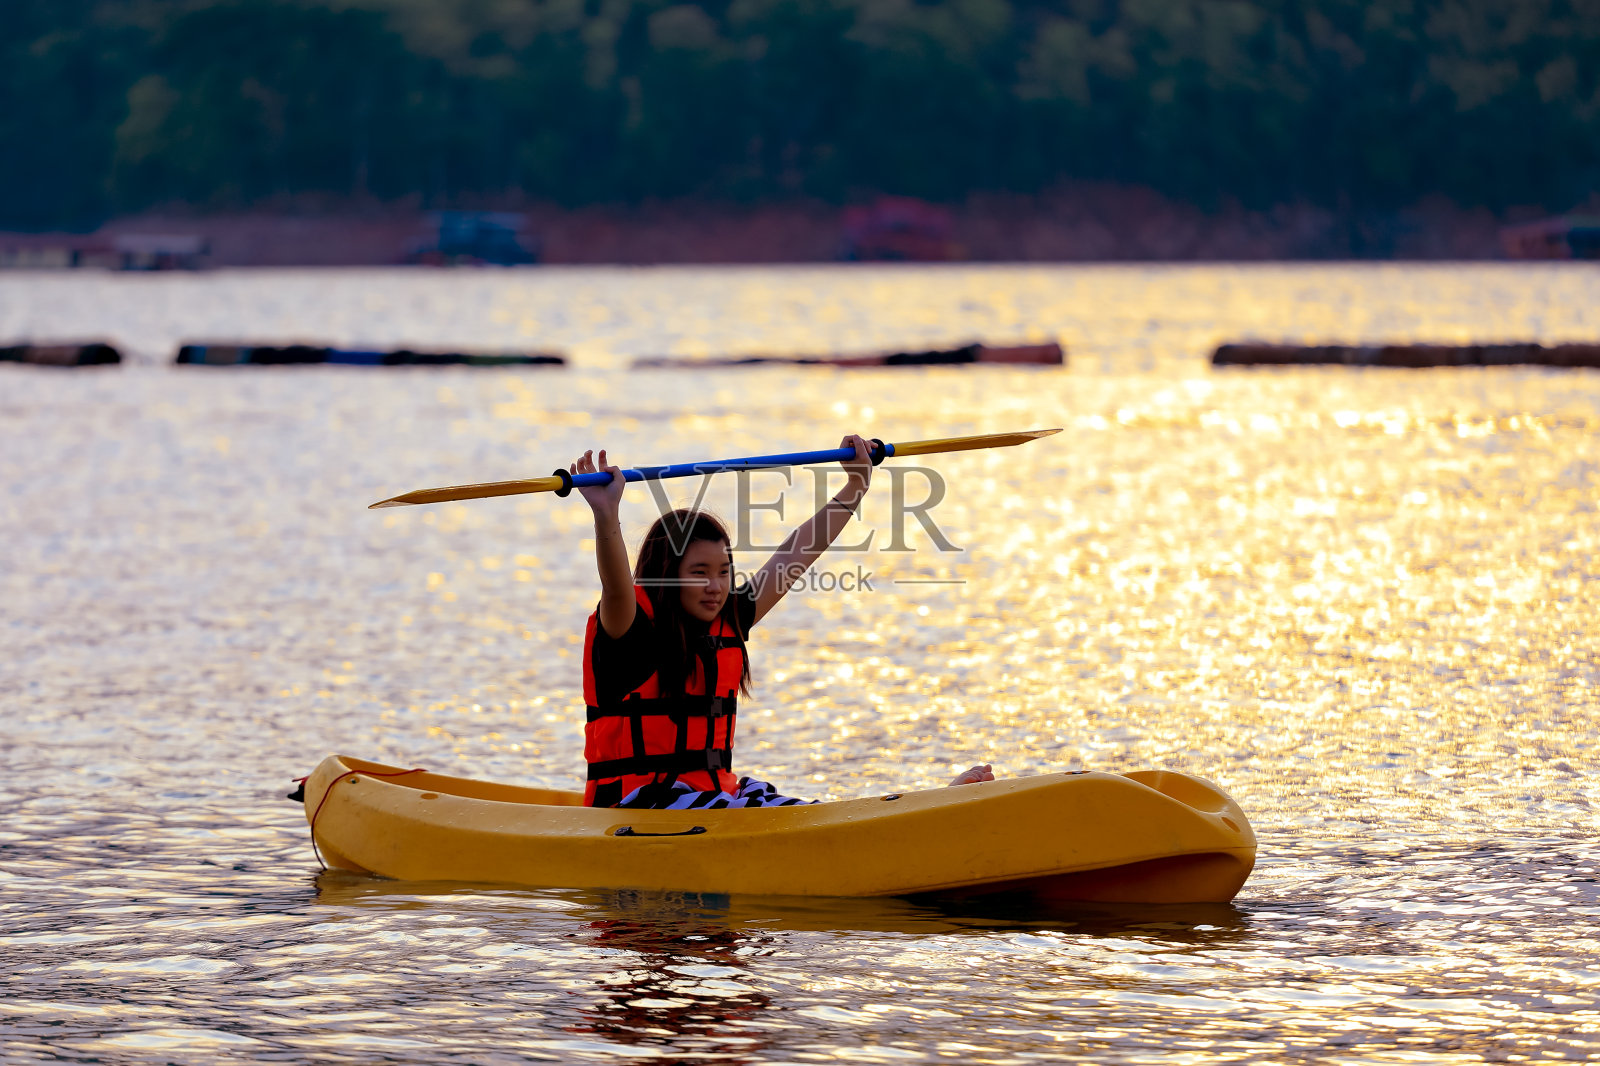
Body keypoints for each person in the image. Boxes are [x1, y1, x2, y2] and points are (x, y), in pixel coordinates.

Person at [573, 433, 995, 809]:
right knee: (739, 807)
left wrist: (856, 486)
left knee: (788, 806)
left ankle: (917, 810)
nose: (716, 586)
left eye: (724, 572)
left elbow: (797, 552)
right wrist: (606, 515)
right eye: (699, 572)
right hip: (638, 805)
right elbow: (616, 586)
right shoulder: (629, 627)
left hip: (715, 797)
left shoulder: (729, 618)